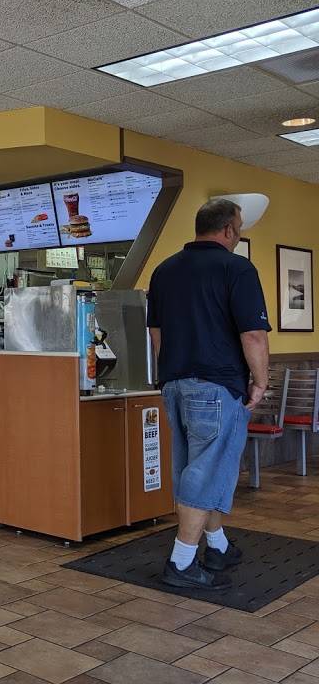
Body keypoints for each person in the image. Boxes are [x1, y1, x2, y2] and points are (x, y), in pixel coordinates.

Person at [147, 198, 270, 590]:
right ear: (229, 229)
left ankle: (217, 546)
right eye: (240, 229)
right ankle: (182, 562)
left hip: (174, 383)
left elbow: (156, 333)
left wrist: (171, 374)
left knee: (195, 468)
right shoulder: (237, 268)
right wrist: (260, 381)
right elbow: (253, 334)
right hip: (217, 386)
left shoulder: (164, 270)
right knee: (206, 473)